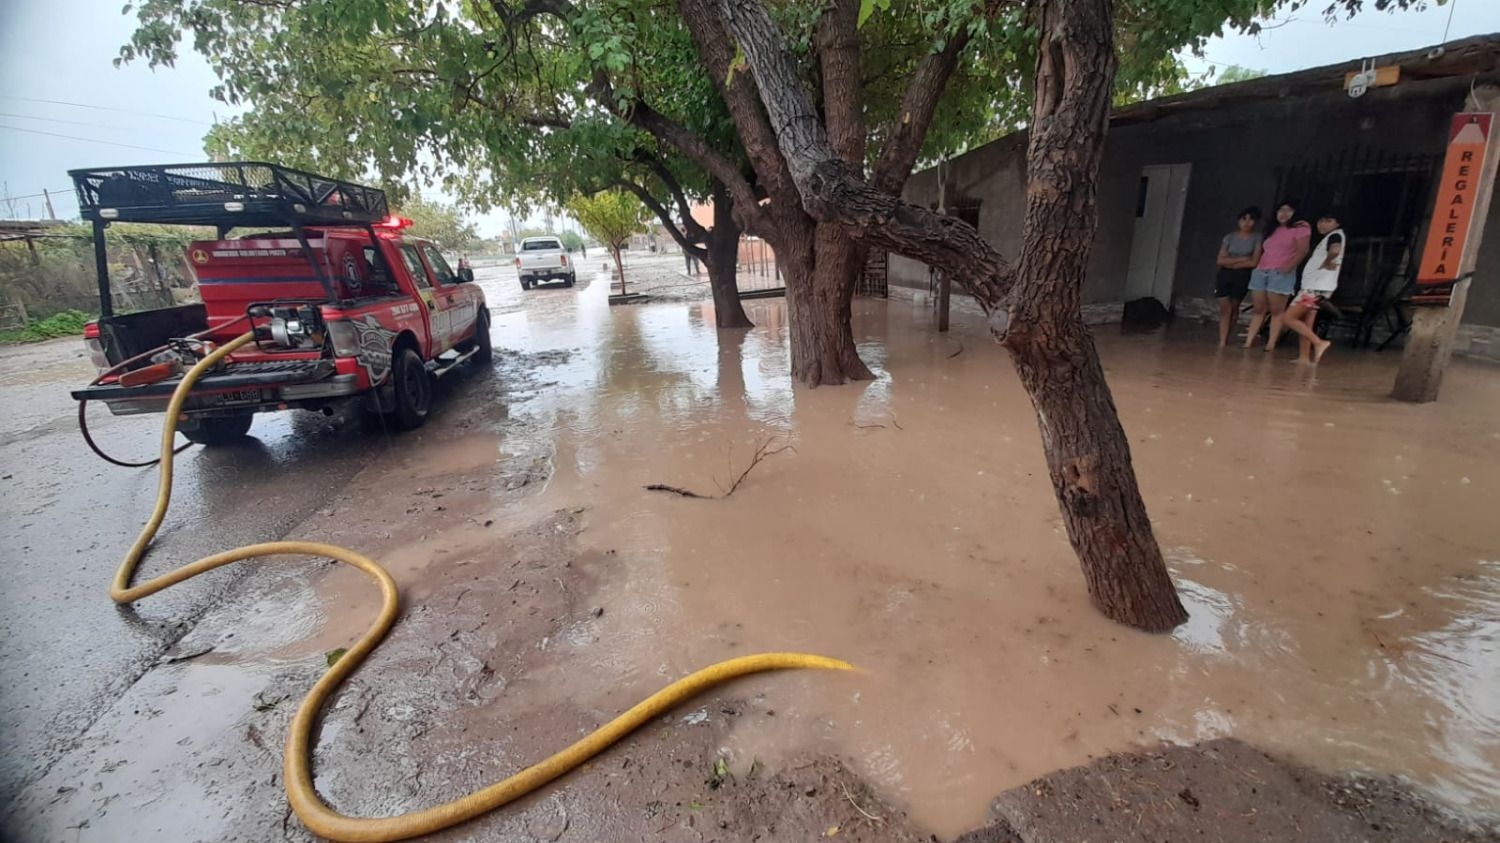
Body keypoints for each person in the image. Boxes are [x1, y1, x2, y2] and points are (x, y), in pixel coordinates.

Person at [1272, 210, 1344, 364]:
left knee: (1288, 318)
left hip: (1314, 289)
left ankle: (1319, 342)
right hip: (1315, 288)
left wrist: (1328, 260)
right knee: (1306, 323)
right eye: (1321, 221)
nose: (1322, 224)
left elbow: (1335, 249)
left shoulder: (1335, 236)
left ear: (1337, 223)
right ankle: (1304, 357)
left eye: (1328, 221)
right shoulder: (1330, 237)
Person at [1243, 200, 1311, 350]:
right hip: (1262, 270)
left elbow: (1302, 251)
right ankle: (1248, 342)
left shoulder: (1301, 227)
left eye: (1288, 210)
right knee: (1258, 309)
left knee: (1276, 311)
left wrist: (1288, 267)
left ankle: (1271, 343)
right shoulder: (1272, 228)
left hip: (1280, 272)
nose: (1284, 214)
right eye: (1281, 210)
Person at [1214, 207, 1263, 347]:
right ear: (1238, 220)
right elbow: (1220, 260)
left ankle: (1226, 337)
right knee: (1225, 308)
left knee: (1234, 307)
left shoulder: (1257, 238)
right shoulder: (1229, 237)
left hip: (1242, 275)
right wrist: (1242, 259)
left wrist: (1232, 262)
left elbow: (1254, 262)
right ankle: (1222, 341)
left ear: (1255, 222)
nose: (1247, 223)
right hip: (1225, 274)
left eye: (1251, 219)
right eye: (1244, 219)